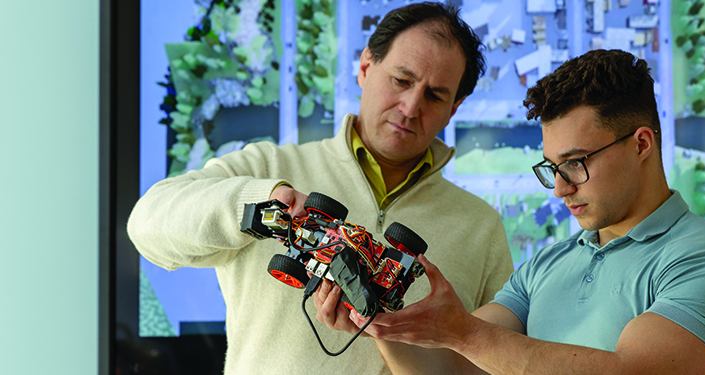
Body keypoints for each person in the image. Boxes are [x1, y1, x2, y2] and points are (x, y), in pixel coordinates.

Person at [317, 49, 705, 375]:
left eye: (575, 163)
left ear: (641, 144)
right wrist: (380, 322)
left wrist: (463, 332)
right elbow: (454, 370)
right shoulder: (547, 265)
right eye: (552, 168)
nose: (561, 188)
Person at [127, 2, 514, 374]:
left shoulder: (480, 226)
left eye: (434, 95)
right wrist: (261, 206)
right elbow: (147, 223)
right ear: (365, 66)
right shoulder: (270, 166)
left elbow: (499, 361)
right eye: (401, 80)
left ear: (455, 107)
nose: (411, 107)